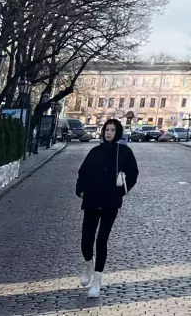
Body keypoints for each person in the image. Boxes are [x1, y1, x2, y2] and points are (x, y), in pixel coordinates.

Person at [75, 118, 139, 298]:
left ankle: (97, 279)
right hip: (91, 201)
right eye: (107, 130)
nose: (109, 133)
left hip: (111, 202)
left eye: (112, 130)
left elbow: (133, 173)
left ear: (117, 132)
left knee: (101, 240)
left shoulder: (124, 152)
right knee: (86, 241)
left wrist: (122, 191)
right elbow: (83, 172)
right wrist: (81, 191)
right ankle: (89, 265)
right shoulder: (95, 151)